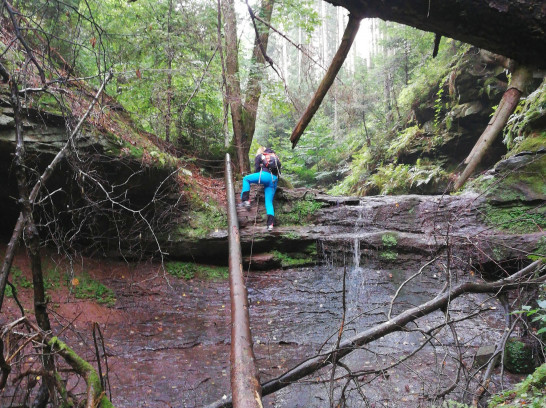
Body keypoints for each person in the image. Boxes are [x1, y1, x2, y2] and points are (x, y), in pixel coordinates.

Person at [240, 146, 281, 231]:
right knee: (269, 202)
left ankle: (245, 200)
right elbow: (278, 171)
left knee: (246, 179)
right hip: (274, 179)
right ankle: (270, 225)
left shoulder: (260, 156)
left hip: (265, 176)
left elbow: (257, 170)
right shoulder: (275, 157)